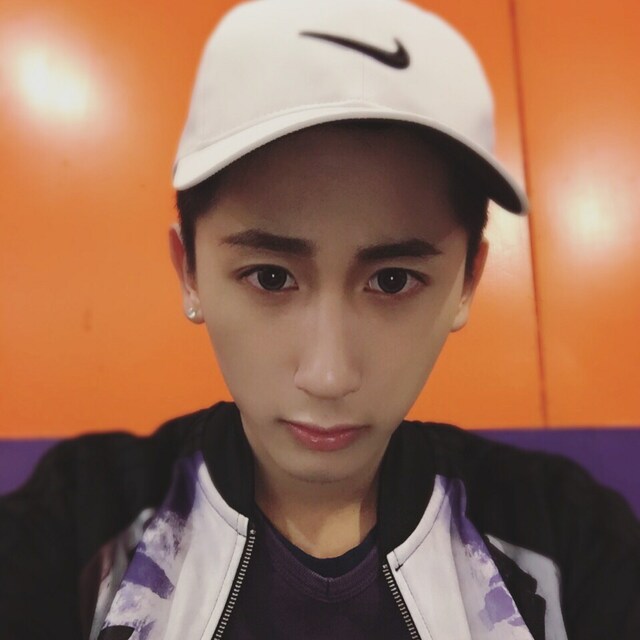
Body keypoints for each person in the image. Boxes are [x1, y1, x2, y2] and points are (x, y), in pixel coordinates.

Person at [1, 1, 638, 639]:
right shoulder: (76, 527)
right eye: (270, 277)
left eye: (392, 280)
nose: (328, 376)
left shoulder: (569, 540)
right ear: (189, 271)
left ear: (467, 282)